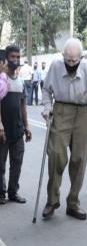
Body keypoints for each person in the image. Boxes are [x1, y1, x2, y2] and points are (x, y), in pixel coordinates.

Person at [41, 38, 87, 220]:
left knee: (79, 159)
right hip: (61, 109)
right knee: (56, 154)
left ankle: (73, 202)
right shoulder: (55, 66)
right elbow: (46, 90)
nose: (71, 64)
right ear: (63, 56)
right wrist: (47, 107)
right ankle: (52, 200)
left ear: (81, 57)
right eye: (68, 60)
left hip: (82, 112)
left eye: (74, 60)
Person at [0, 45, 32, 205]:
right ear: (6, 58)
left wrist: (27, 127)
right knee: (0, 165)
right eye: (12, 57)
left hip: (18, 131)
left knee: (16, 164)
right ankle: (1, 194)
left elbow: (23, 106)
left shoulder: (20, 82)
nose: (16, 60)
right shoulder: (1, 80)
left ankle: (13, 192)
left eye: (18, 57)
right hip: (2, 132)